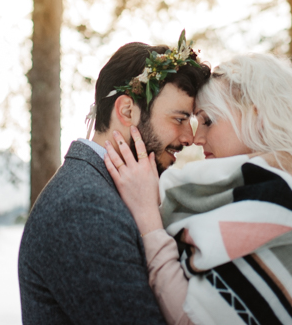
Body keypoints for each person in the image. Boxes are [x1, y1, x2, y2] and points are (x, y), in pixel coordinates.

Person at [105, 53, 292, 325]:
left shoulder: (281, 199)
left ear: (256, 116)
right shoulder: (260, 189)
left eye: (208, 121)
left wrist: (147, 218)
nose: (196, 139)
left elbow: (190, 319)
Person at [18, 33, 211, 325]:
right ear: (127, 110)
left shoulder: (113, 190)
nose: (190, 138)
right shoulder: (83, 208)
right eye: (179, 119)